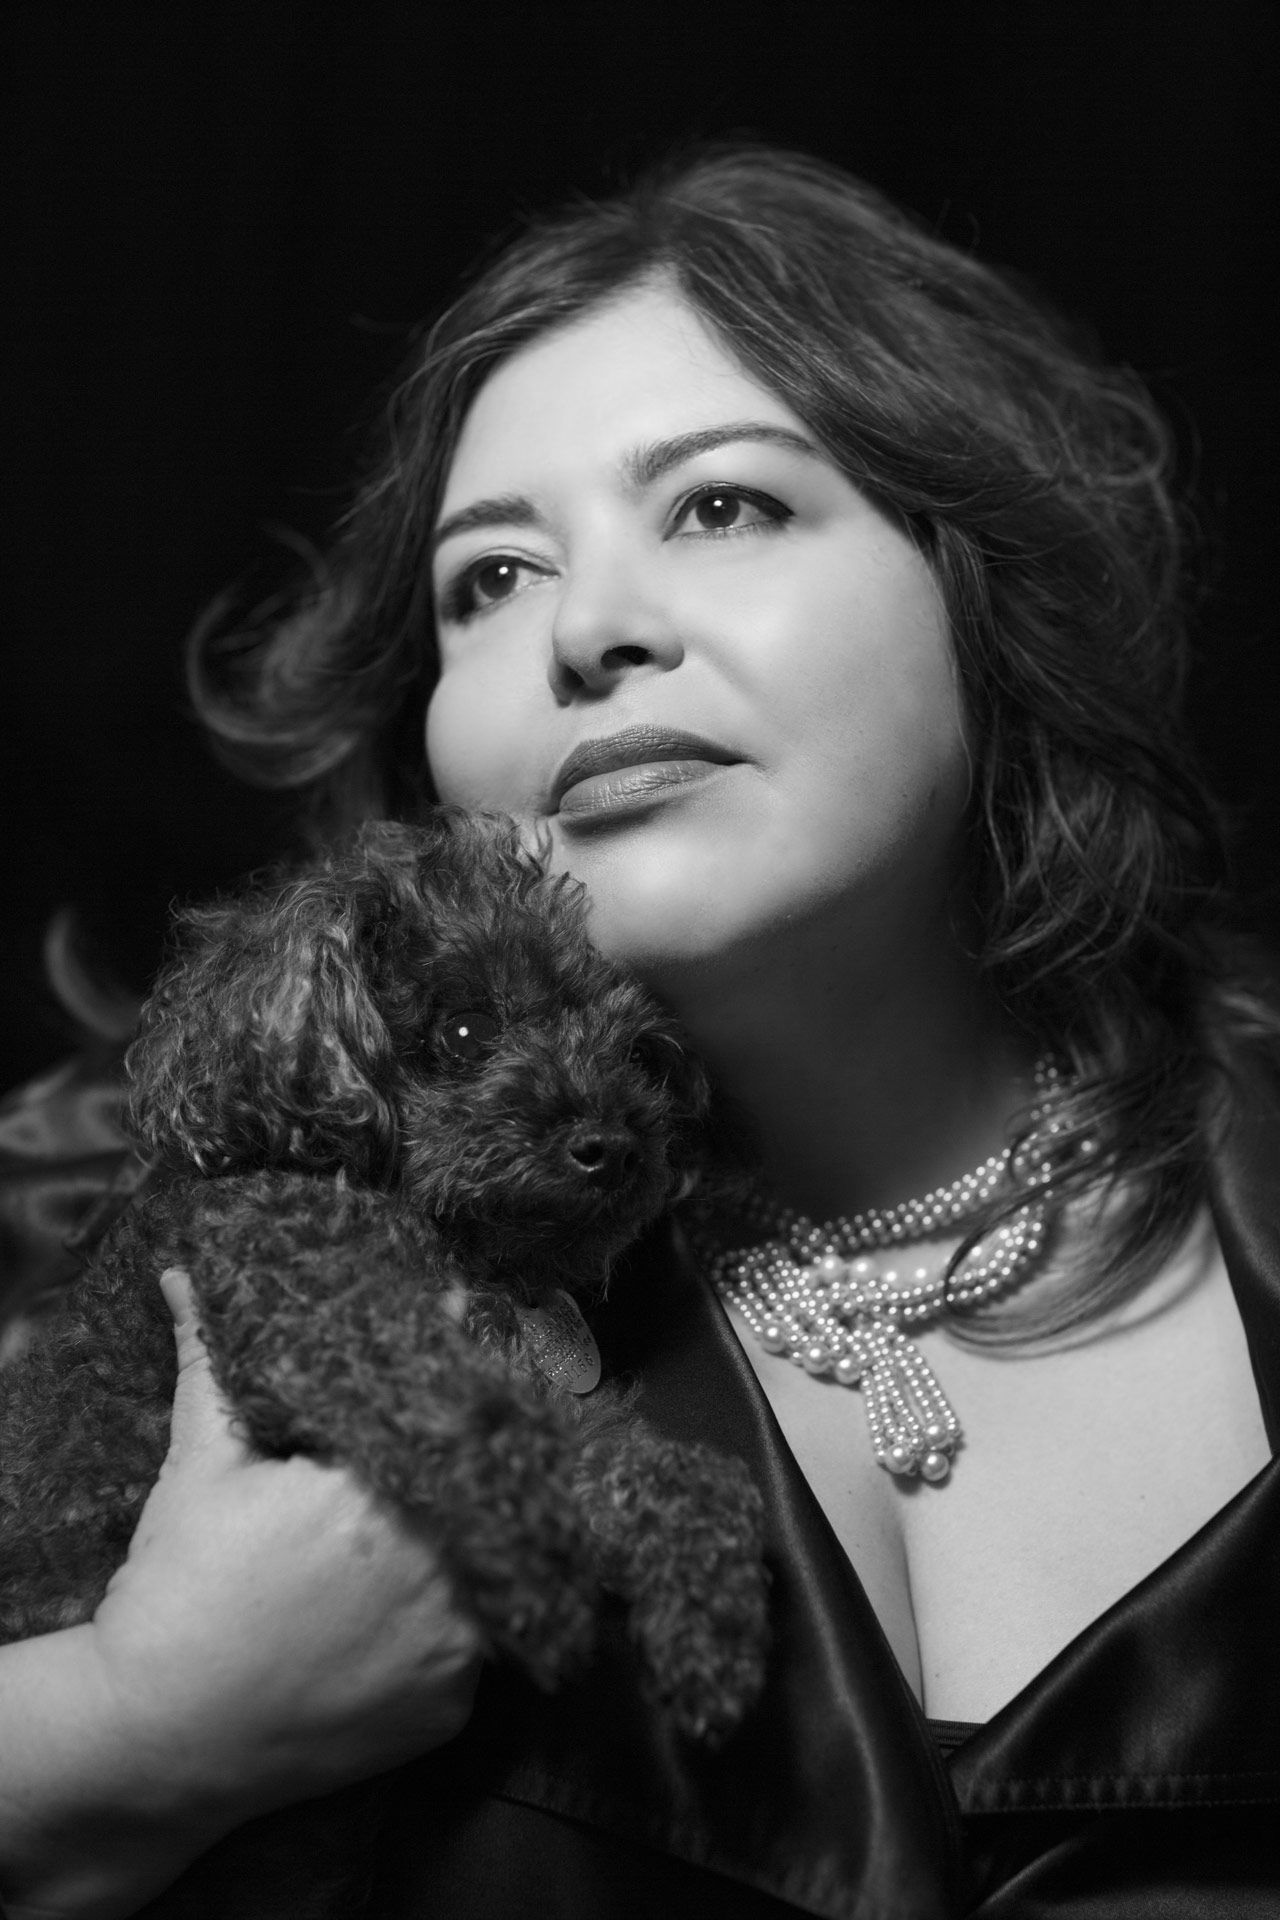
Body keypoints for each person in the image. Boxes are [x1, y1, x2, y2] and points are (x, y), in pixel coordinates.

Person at [2, 143, 1277, 1918]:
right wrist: (126, 1737)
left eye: (723, 507)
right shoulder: (168, 1269)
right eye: (490, 582)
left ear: (981, 588)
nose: (588, 632)